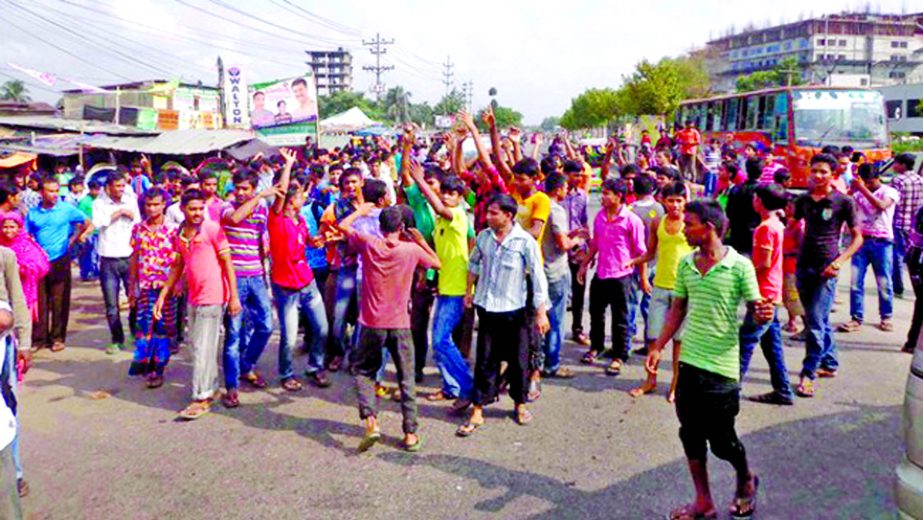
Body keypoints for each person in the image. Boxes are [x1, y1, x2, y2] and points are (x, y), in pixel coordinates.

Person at [644, 199, 771, 520]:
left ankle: (745, 478)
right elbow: (678, 309)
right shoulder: (687, 264)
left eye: (690, 224)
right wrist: (658, 345)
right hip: (689, 364)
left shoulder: (739, 266)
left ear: (709, 227)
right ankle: (703, 501)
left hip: (722, 369)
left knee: (723, 442)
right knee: (690, 434)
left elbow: (757, 310)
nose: (684, 229)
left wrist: (763, 313)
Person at [339, 203, 440, 453]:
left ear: (380, 226)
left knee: (363, 371)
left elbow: (342, 226)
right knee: (406, 379)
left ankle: (371, 422)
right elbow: (437, 264)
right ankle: (410, 434)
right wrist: (420, 241)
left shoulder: (370, 244)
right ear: (402, 227)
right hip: (400, 323)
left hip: (372, 322)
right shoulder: (411, 250)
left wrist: (360, 212)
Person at [456, 194, 549, 436]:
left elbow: (538, 278)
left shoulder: (524, 242)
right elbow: (474, 264)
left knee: (519, 361)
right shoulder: (484, 238)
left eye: (493, 213)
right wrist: (469, 291)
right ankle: (478, 408)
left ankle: (519, 404)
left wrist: (541, 313)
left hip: (515, 311)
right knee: (485, 360)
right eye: (488, 212)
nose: (488, 217)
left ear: (508, 215)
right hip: (487, 308)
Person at [154, 189, 241, 420]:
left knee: (203, 348)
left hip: (213, 296)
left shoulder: (213, 229)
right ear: (182, 209)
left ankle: (201, 397)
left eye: (200, 208)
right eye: (192, 209)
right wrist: (164, 292)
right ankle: (209, 387)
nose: (197, 213)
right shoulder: (180, 234)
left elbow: (228, 264)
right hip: (193, 296)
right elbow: (177, 264)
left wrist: (234, 297)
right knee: (196, 347)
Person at [791, 154, 862, 398]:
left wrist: (839, 262)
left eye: (823, 172)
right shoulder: (803, 200)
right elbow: (793, 225)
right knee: (814, 320)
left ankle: (807, 374)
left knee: (816, 324)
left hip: (826, 269)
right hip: (803, 265)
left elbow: (857, 237)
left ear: (834, 175)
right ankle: (829, 363)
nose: (818, 176)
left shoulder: (843, 202)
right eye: (815, 171)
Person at [408, 162, 474, 410]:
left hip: (456, 290)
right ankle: (451, 387)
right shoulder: (441, 221)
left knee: (440, 340)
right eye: (443, 191)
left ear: (460, 197)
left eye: (451, 193)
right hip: (445, 287)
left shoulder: (456, 215)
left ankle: (468, 386)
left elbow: (439, 207)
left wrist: (420, 181)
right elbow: (438, 255)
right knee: (439, 342)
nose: (446, 196)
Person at [268, 149, 330, 391]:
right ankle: (286, 373)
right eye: (301, 195)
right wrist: (288, 165)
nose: (305, 197)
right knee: (289, 337)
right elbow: (281, 192)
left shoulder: (300, 221)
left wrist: (316, 241)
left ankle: (316, 366)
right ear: (291, 200)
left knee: (322, 328)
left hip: (307, 281)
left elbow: (307, 241)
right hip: (286, 286)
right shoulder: (276, 220)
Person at [626, 181, 691, 401]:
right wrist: (634, 262)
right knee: (653, 337)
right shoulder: (657, 222)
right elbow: (650, 252)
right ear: (662, 200)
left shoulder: (691, 223)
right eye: (671, 200)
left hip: (685, 290)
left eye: (679, 201)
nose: (675, 205)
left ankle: (675, 385)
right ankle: (650, 380)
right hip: (660, 287)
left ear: (685, 202)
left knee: (679, 341)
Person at [219, 172, 278, 407]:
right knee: (233, 334)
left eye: (246, 189)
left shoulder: (261, 209)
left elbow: (259, 238)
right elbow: (234, 219)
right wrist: (260, 196)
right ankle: (232, 386)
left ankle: (246, 365)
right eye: (238, 188)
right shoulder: (226, 207)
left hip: (256, 275)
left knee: (266, 326)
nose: (241, 193)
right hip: (235, 278)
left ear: (252, 188)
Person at [578, 178, 647, 376]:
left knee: (621, 317)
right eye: (603, 193)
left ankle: (619, 355)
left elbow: (641, 253)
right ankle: (596, 347)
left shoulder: (632, 220)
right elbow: (596, 244)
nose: (603, 197)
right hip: (601, 273)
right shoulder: (600, 217)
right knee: (596, 313)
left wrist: (642, 279)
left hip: (622, 276)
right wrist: (585, 264)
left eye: (607, 193)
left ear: (619, 196)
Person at [739, 184, 794, 406]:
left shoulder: (765, 228)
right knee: (772, 346)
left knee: (746, 341)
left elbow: (763, 263)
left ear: (760, 202)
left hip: (763, 294)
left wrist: (742, 274)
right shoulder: (777, 224)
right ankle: (782, 390)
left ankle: (730, 389)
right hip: (772, 291)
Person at [26, 177, 91, 352]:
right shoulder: (33, 213)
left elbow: (86, 223)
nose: (54, 194)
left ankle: (57, 337)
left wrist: (73, 240)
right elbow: (27, 235)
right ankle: (39, 338)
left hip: (60, 259)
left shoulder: (67, 209)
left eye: (56, 191)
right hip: (39, 262)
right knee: (39, 300)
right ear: (41, 193)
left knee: (59, 300)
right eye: (50, 191)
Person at [838, 163, 899, 333]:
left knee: (884, 281)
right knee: (856, 282)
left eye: (870, 182)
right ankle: (856, 317)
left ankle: (886, 316)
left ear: (877, 178)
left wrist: (862, 189)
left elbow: (881, 205)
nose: (868, 185)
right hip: (861, 241)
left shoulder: (889, 192)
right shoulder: (858, 193)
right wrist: (853, 191)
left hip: (882, 241)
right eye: (865, 182)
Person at [127, 188, 178, 388]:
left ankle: (159, 369)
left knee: (163, 329)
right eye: (148, 205)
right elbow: (134, 258)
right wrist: (132, 287)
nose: (152, 208)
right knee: (144, 327)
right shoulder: (138, 229)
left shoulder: (174, 229)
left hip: (167, 287)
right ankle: (146, 364)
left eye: (156, 204)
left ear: (164, 204)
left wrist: (178, 283)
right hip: (146, 286)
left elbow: (180, 259)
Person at [92, 172, 141, 355]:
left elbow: (138, 221)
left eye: (123, 186)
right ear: (109, 187)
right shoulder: (99, 203)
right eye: (117, 186)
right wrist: (118, 213)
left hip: (128, 256)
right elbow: (98, 223)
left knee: (134, 298)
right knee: (111, 304)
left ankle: (135, 333)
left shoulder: (131, 199)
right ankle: (116, 339)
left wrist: (127, 213)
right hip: (108, 257)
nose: (121, 189)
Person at [541, 173, 585, 379]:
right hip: (554, 270)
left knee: (539, 317)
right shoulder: (555, 209)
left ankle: (538, 361)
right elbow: (563, 244)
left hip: (539, 270)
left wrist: (571, 233)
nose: (566, 191)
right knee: (555, 320)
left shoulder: (538, 206)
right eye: (565, 187)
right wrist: (576, 240)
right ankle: (551, 363)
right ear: (558, 189)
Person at [627, 174, 664, 356]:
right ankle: (651, 342)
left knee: (631, 303)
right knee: (650, 306)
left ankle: (627, 339)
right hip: (656, 262)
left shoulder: (630, 210)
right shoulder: (659, 209)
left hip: (634, 263)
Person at [0, 212, 49, 323]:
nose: (8, 231)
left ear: (19, 228)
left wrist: (20, 269)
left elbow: (39, 266)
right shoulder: (1, 245)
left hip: (23, 290)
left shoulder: (26, 246)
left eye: (12, 227)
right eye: (5, 227)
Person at [562, 160, 590, 346]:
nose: (578, 178)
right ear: (565, 174)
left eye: (580, 175)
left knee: (578, 290)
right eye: (575, 175)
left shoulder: (582, 197)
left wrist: (587, 249)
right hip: (558, 248)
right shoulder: (556, 196)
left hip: (577, 249)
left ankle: (577, 329)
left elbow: (584, 223)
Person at [889, 153, 923, 300]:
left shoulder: (898, 180)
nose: (894, 166)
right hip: (915, 226)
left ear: (902, 164)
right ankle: (916, 285)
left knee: (897, 256)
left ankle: (898, 287)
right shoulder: (920, 180)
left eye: (895, 163)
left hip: (899, 222)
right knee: (911, 257)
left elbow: (890, 203)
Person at [724, 157, 762, 257]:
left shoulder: (736, 189)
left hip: (737, 234)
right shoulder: (763, 191)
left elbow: (728, 214)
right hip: (755, 236)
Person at [77, 180, 101, 282]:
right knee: (88, 253)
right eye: (95, 189)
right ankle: (87, 273)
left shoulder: (100, 200)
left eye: (98, 189)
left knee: (96, 253)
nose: (97, 191)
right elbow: (80, 217)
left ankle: (95, 272)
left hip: (98, 231)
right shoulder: (84, 201)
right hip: (88, 232)